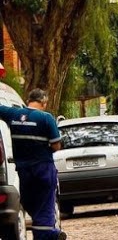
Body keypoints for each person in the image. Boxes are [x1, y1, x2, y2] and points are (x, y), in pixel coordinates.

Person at [0, 89, 66, 240]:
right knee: (45, 205)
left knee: (30, 203)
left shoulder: (12, 114)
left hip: (24, 171)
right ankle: (49, 234)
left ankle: (46, 233)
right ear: (43, 102)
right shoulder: (46, 118)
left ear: (28, 100)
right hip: (43, 169)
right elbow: (56, 145)